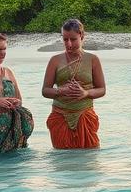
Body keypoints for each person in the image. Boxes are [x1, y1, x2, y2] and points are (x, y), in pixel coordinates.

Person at [42, 18, 106, 149]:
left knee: (89, 156)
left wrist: (86, 93)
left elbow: (102, 89)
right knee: (62, 158)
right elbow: (45, 90)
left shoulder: (93, 60)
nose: (69, 44)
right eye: (65, 40)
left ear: (81, 36)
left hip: (85, 115)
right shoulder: (55, 60)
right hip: (60, 116)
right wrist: (61, 91)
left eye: (73, 39)